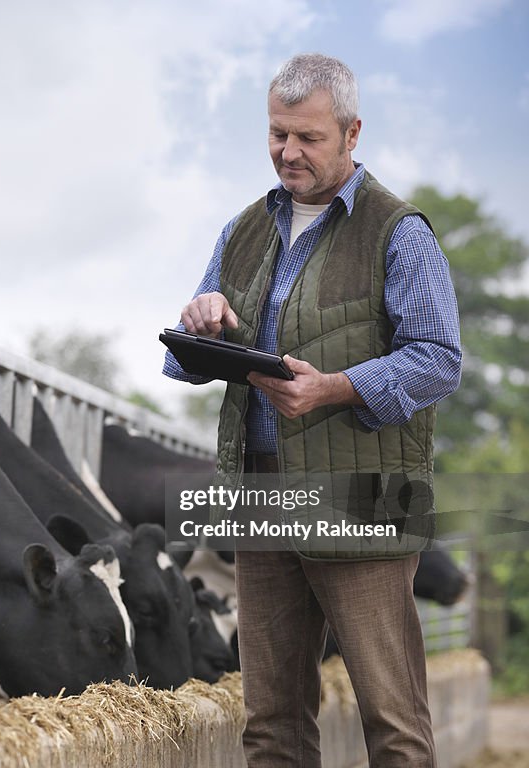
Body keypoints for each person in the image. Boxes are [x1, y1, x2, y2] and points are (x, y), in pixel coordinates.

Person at [163, 53, 462, 767]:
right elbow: (184, 360)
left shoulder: (401, 232)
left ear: (352, 134)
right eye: (277, 135)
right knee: (269, 724)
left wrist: (335, 387)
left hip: (362, 497)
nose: (288, 153)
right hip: (261, 493)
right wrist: (201, 323)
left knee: (392, 720)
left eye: (308, 138)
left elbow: (439, 360)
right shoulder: (241, 229)